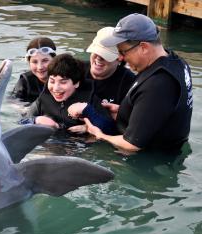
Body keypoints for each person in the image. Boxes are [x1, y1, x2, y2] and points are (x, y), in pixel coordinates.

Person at [77, 13, 193, 152]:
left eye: (123, 52)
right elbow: (161, 111)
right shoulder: (176, 62)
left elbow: (132, 145)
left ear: (143, 47)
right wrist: (125, 110)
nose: (120, 58)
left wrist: (100, 135)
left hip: (152, 162)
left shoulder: (159, 83)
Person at [19, 53, 117, 135]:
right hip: (49, 144)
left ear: (76, 83)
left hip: (77, 147)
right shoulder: (44, 98)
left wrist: (87, 118)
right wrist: (36, 120)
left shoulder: (89, 99)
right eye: (52, 81)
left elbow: (110, 128)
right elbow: (21, 122)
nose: (56, 88)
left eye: (63, 82)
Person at [85, 26, 136, 104]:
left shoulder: (130, 83)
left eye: (105, 55)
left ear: (120, 57)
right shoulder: (75, 70)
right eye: (96, 51)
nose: (98, 57)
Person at [11, 37, 57, 103]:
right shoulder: (25, 81)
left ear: (55, 60)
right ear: (29, 62)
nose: (40, 67)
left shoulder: (65, 77)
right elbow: (14, 102)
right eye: (35, 62)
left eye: (45, 60)